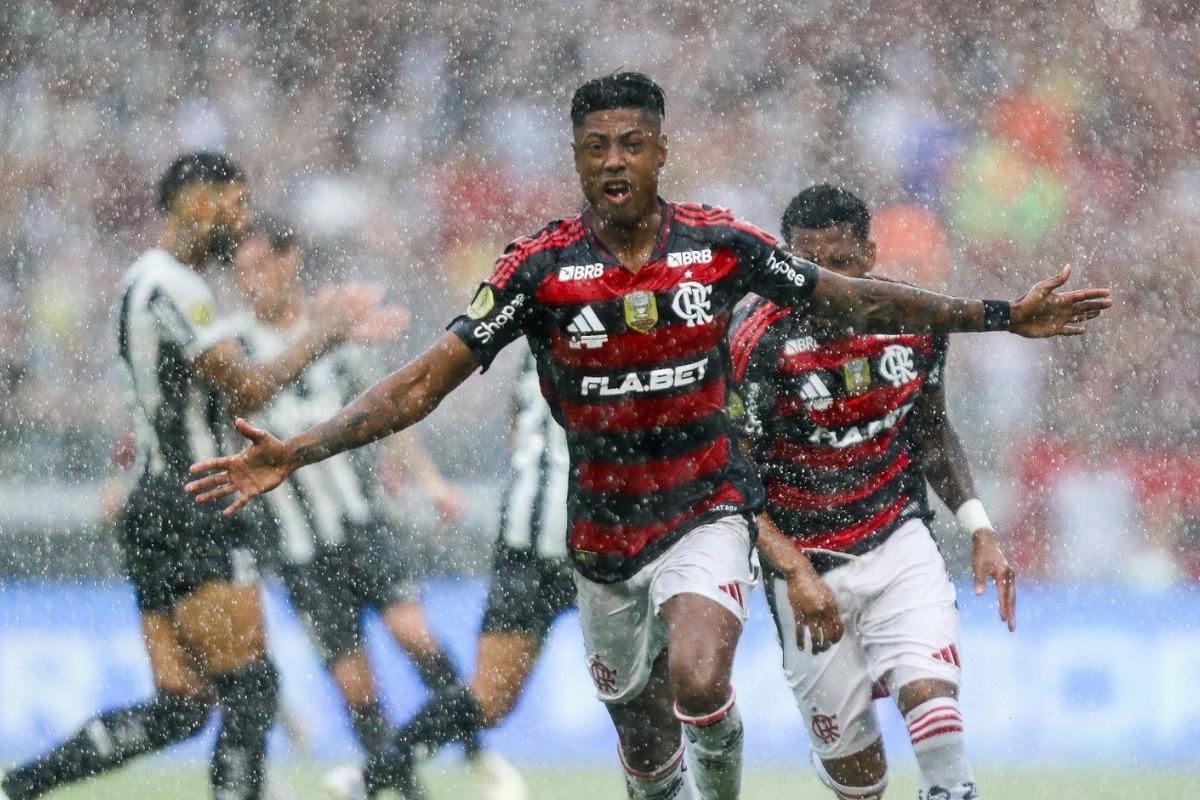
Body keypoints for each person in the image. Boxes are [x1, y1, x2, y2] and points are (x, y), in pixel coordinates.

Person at [184, 73, 1109, 800]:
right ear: (577, 161)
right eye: (596, 148)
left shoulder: (717, 246)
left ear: (661, 150)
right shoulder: (536, 271)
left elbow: (851, 298)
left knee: (702, 679)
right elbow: (426, 380)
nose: (614, 160)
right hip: (600, 538)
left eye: (632, 142)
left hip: (704, 510)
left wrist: (997, 315)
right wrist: (299, 450)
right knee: (642, 737)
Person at [1, 152, 389, 800]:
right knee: (251, 687)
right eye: (235, 206)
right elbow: (248, 387)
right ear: (197, 201)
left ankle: (17, 788)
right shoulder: (173, 283)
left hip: (154, 505)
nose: (241, 224)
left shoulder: (143, 282)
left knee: (180, 705)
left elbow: (178, 393)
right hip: (195, 503)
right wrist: (325, 333)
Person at [729, 185, 1017, 800]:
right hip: (805, 568)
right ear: (787, 261)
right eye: (809, 268)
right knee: (858, 778)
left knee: (934, 712)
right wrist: (791, 568)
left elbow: (932, 433)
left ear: (870, 254)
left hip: (897, 542)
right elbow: (732, 482)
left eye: (840, 265)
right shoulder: (756, 343)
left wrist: (979, 528)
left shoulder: (913, 323)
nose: (825, 284)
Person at [229, 219, 517, 799]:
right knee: (356, 689)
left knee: (415, 637)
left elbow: (385, 417)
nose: (251, 282)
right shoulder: (233, 349)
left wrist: (430, 481)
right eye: (242, 272)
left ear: (289, 262)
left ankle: (476, 755)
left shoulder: (334, 333)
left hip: (363, 526)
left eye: (261, 266)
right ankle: (406, 790)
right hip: (299, 550)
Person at [374, 342, 573, 800]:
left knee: (649, 691)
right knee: (489, 697)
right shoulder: (581, 323)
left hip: (561, 539)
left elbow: (514, 429)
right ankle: (379, 771)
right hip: (550, 542)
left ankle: (377, 770)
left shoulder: (544, 332)